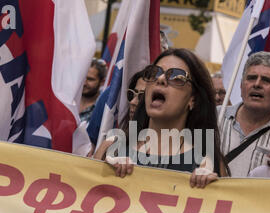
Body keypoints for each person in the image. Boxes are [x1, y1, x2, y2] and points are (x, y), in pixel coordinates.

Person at [95, 48, 229, 188]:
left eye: (177, 77)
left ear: (192, 100)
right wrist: (103, 174)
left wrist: (209, 191)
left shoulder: (207, 161)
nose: (160, 79)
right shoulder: (112, 147)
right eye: (154, 73)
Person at [219, 51, 270, 177]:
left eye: (267, 81)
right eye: (251, 78)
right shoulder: (214, 116)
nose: (257, 84)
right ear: (241, 86)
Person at [94, 69, 146, 158]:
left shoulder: (172, 150)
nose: (133, 102)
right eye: (131, 94)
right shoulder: (110, 145)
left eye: (142, 97)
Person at [79, 58, 107, 123]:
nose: (84, 83)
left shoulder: (104, 108)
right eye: (82, 78)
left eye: (90, 79)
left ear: (102, 82)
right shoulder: (68, 100)